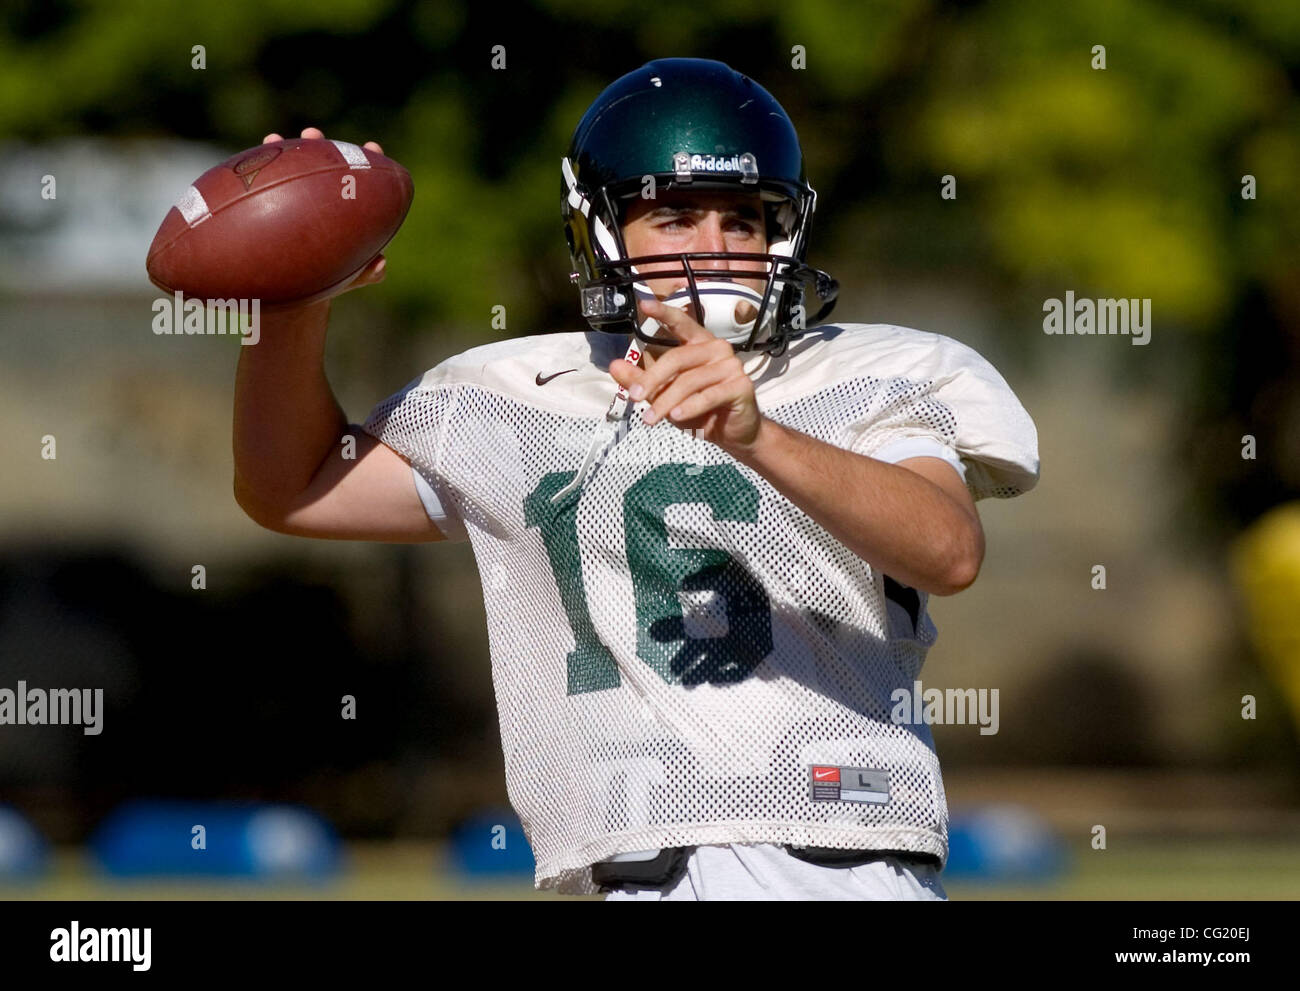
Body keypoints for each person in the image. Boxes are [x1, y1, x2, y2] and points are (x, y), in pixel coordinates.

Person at [234, 58, 1039, 900]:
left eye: (745, 219)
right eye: (677, 218)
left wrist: (757, 434)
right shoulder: (520, 393)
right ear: (600, 233)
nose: (718, 251)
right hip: (618, 871)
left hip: (829, 858)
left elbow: (947, 549)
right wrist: (290, 301)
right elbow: (292, 487)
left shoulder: (879, 370)